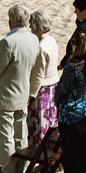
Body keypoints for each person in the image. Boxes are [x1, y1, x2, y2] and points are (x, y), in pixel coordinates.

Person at [0, 5, 40, 173]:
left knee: (5, 139)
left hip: (5, 96)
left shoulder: (8, 42)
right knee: (20, 135)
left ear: (11, 22)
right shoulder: (33, 39)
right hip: (22, 93)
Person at [28, 10, 61, 142]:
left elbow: (37, 76)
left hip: (42, 90)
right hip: (53, 86)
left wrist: (31, 95)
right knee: (49, 121)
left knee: (39, 124)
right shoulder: (51, 40)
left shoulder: (40, 48)